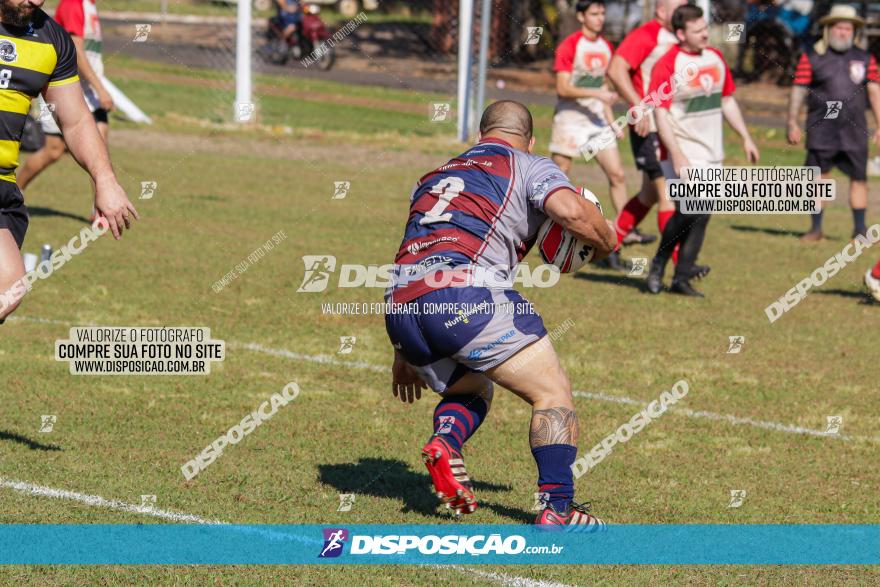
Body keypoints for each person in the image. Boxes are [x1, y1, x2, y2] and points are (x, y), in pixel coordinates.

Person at [385, 100, 616, 527]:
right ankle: (558, 507)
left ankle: (445, 444)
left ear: (480, 136)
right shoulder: (528, 164)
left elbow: (417, 246)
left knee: (471, 388)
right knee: (552, 392)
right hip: (465, 295)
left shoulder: (435, 176)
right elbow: (570, 211)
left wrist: (403, 352)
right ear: (529, 140)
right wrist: (607, 240)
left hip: (401, 305)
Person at [0, 0, 138, 325]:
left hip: (3, 183)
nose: (35, 1)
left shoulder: (51, 38)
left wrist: (105, 180)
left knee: (11, 285)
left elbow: (75, 120)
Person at [645, 4, 759, 297]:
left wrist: (745, 136)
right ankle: (660, 262)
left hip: (711, 151)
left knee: (702, 211)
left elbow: (727, 100)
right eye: (698, 31)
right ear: (681, 34)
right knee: (691, 207)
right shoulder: (668, 64)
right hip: (680, 149)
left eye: (706, 28)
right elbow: (661, 114)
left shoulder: (716, 57)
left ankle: (682, 277)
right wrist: (677, 153)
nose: (705, 34)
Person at [787, 4, 880, 242]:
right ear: (829, 29)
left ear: (854, 31)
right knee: (819, 179)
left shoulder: (865, 58)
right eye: (838, 27)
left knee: (859, 179)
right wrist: (792, 122)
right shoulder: (812, 57)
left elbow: (875, 92)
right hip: (821, 130)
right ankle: (815, 228)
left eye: (847, 28)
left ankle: (860, 229)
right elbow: (798, 90)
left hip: (854, 131)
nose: (843, 32)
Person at [17, 0, 114, 225]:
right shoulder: (73, 3)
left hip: (89, 92)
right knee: (52, 150)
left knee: (100, 144)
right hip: (66, 91)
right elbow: (76, 50)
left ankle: (99, 210)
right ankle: (16, 190)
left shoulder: (89, 5)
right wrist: (100, 88)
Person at [549, 0, 629, 270]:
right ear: (582, 16)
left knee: (617, 175)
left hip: (597, 123)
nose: (600, 18)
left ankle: (619, 236)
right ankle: (554, 238)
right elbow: (563, 88)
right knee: (558, 181)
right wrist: (597, 94)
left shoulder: (606, 47)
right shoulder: (570, 46)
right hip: (570, 120)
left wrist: (613, 122)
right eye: (594, 14)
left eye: (603, 13)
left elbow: (604, 90)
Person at [606, 0, 688, 253]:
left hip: (670, 126)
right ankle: (677, 268)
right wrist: (638, 105)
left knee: (648, 195)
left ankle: (610, 245)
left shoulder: (681, 39)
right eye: (678, 8)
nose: (684, 13)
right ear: (661, 11)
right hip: (648, 126)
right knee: (667, 196)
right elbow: (616, 69)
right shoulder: (645, 35)